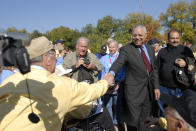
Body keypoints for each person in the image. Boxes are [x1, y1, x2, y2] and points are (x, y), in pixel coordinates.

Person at [0, 36, 114, 131]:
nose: (56, 60)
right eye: (54, 55)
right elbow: (89, 92)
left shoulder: (9, 81)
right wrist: (105, 82)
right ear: (47, 59)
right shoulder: (57, 84)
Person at [109, 25, 160, 131]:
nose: (137, 37)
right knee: (134, 122)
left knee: (146, 120)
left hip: (148, 91)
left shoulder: (150, 49)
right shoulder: (126, 49)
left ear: (145, 35)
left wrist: (156, 87)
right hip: (133, 93)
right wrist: (111, 73)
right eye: (134, 35)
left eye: (140, 35)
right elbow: (119, 62)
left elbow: (154, 69)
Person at [62, 37, 115, 130]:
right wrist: (76, 66)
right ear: (77, 46)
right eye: (81, 46)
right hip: (76, 94)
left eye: (85, 47)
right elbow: (63, 72)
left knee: (99, 115)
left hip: (92, 93)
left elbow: (100, 67)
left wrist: (92, 66)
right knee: (78, 120)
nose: (83, 49)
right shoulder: (69, 57)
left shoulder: (92, 56)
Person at [156, 29, 195, 116]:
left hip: (182, 88)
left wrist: (186, 63)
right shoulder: (162, 52)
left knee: (181, 115)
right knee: (165, 114)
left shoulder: (185, 50)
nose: (175, 40)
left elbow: (193, 63)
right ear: (168, 39)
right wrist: (156, 87)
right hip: (164, 88)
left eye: (177, 38)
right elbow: (156, 70)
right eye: (173, 38)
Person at [100, 40, 125, 127]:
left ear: (117, 47)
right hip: (107, 87)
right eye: (110, 47)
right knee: (108, 106)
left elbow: (124, 72)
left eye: (113, 47)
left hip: (119, 86)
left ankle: (117, 121)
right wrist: (104, 85)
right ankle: (110, 123)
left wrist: (119, 84)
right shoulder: (103, 59)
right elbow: (102, 73)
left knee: (117, 106)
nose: (111, 49)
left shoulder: (122, 57)